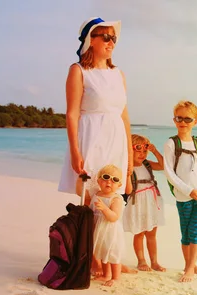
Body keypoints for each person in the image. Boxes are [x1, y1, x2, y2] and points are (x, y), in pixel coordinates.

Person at [58, 17, 133, 198]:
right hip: (91, 140)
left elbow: (124, 116)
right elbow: (72, 114)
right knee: (90, 198)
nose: (111, 43)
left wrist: (130, 152)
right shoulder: (78, 71)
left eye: (114, 38)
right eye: (106, 37)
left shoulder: (118, 74)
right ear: (91, 40)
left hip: (116, 141)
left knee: (113, 200)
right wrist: (75, 152)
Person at [163, 100, 197, 282]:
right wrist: (188, 190)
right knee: (185, 232)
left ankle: (191, 267)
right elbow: (169, 172)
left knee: (195, 229)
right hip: (183, 196)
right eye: (179, 118)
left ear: (195, 122)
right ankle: (189, 265)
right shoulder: (171, 143)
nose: (183, 122)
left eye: (187, 119)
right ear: (174, 120)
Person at [123, 134, 166, 272]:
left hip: (152, 201)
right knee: (139, 233)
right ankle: (141, 261)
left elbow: (163, 165)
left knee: (152, 234)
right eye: (138, 151)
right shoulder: (127, 167)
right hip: (138, 202)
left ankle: (154, 262)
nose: (142, 154)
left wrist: (154, 151)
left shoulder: (147, 164)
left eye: (145, 151)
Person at [90, 164, 125, 286]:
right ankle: (106, 275)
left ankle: (115, 277)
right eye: (106, 177)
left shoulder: (116, 199)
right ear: (99, 180)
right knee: (102, 252)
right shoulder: (96, 194)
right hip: (99, 230)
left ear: (119, 185)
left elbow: (114, 217)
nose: (109, 182)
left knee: (113, 254)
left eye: (115, 180)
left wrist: (104, 209)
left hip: (111, 231)